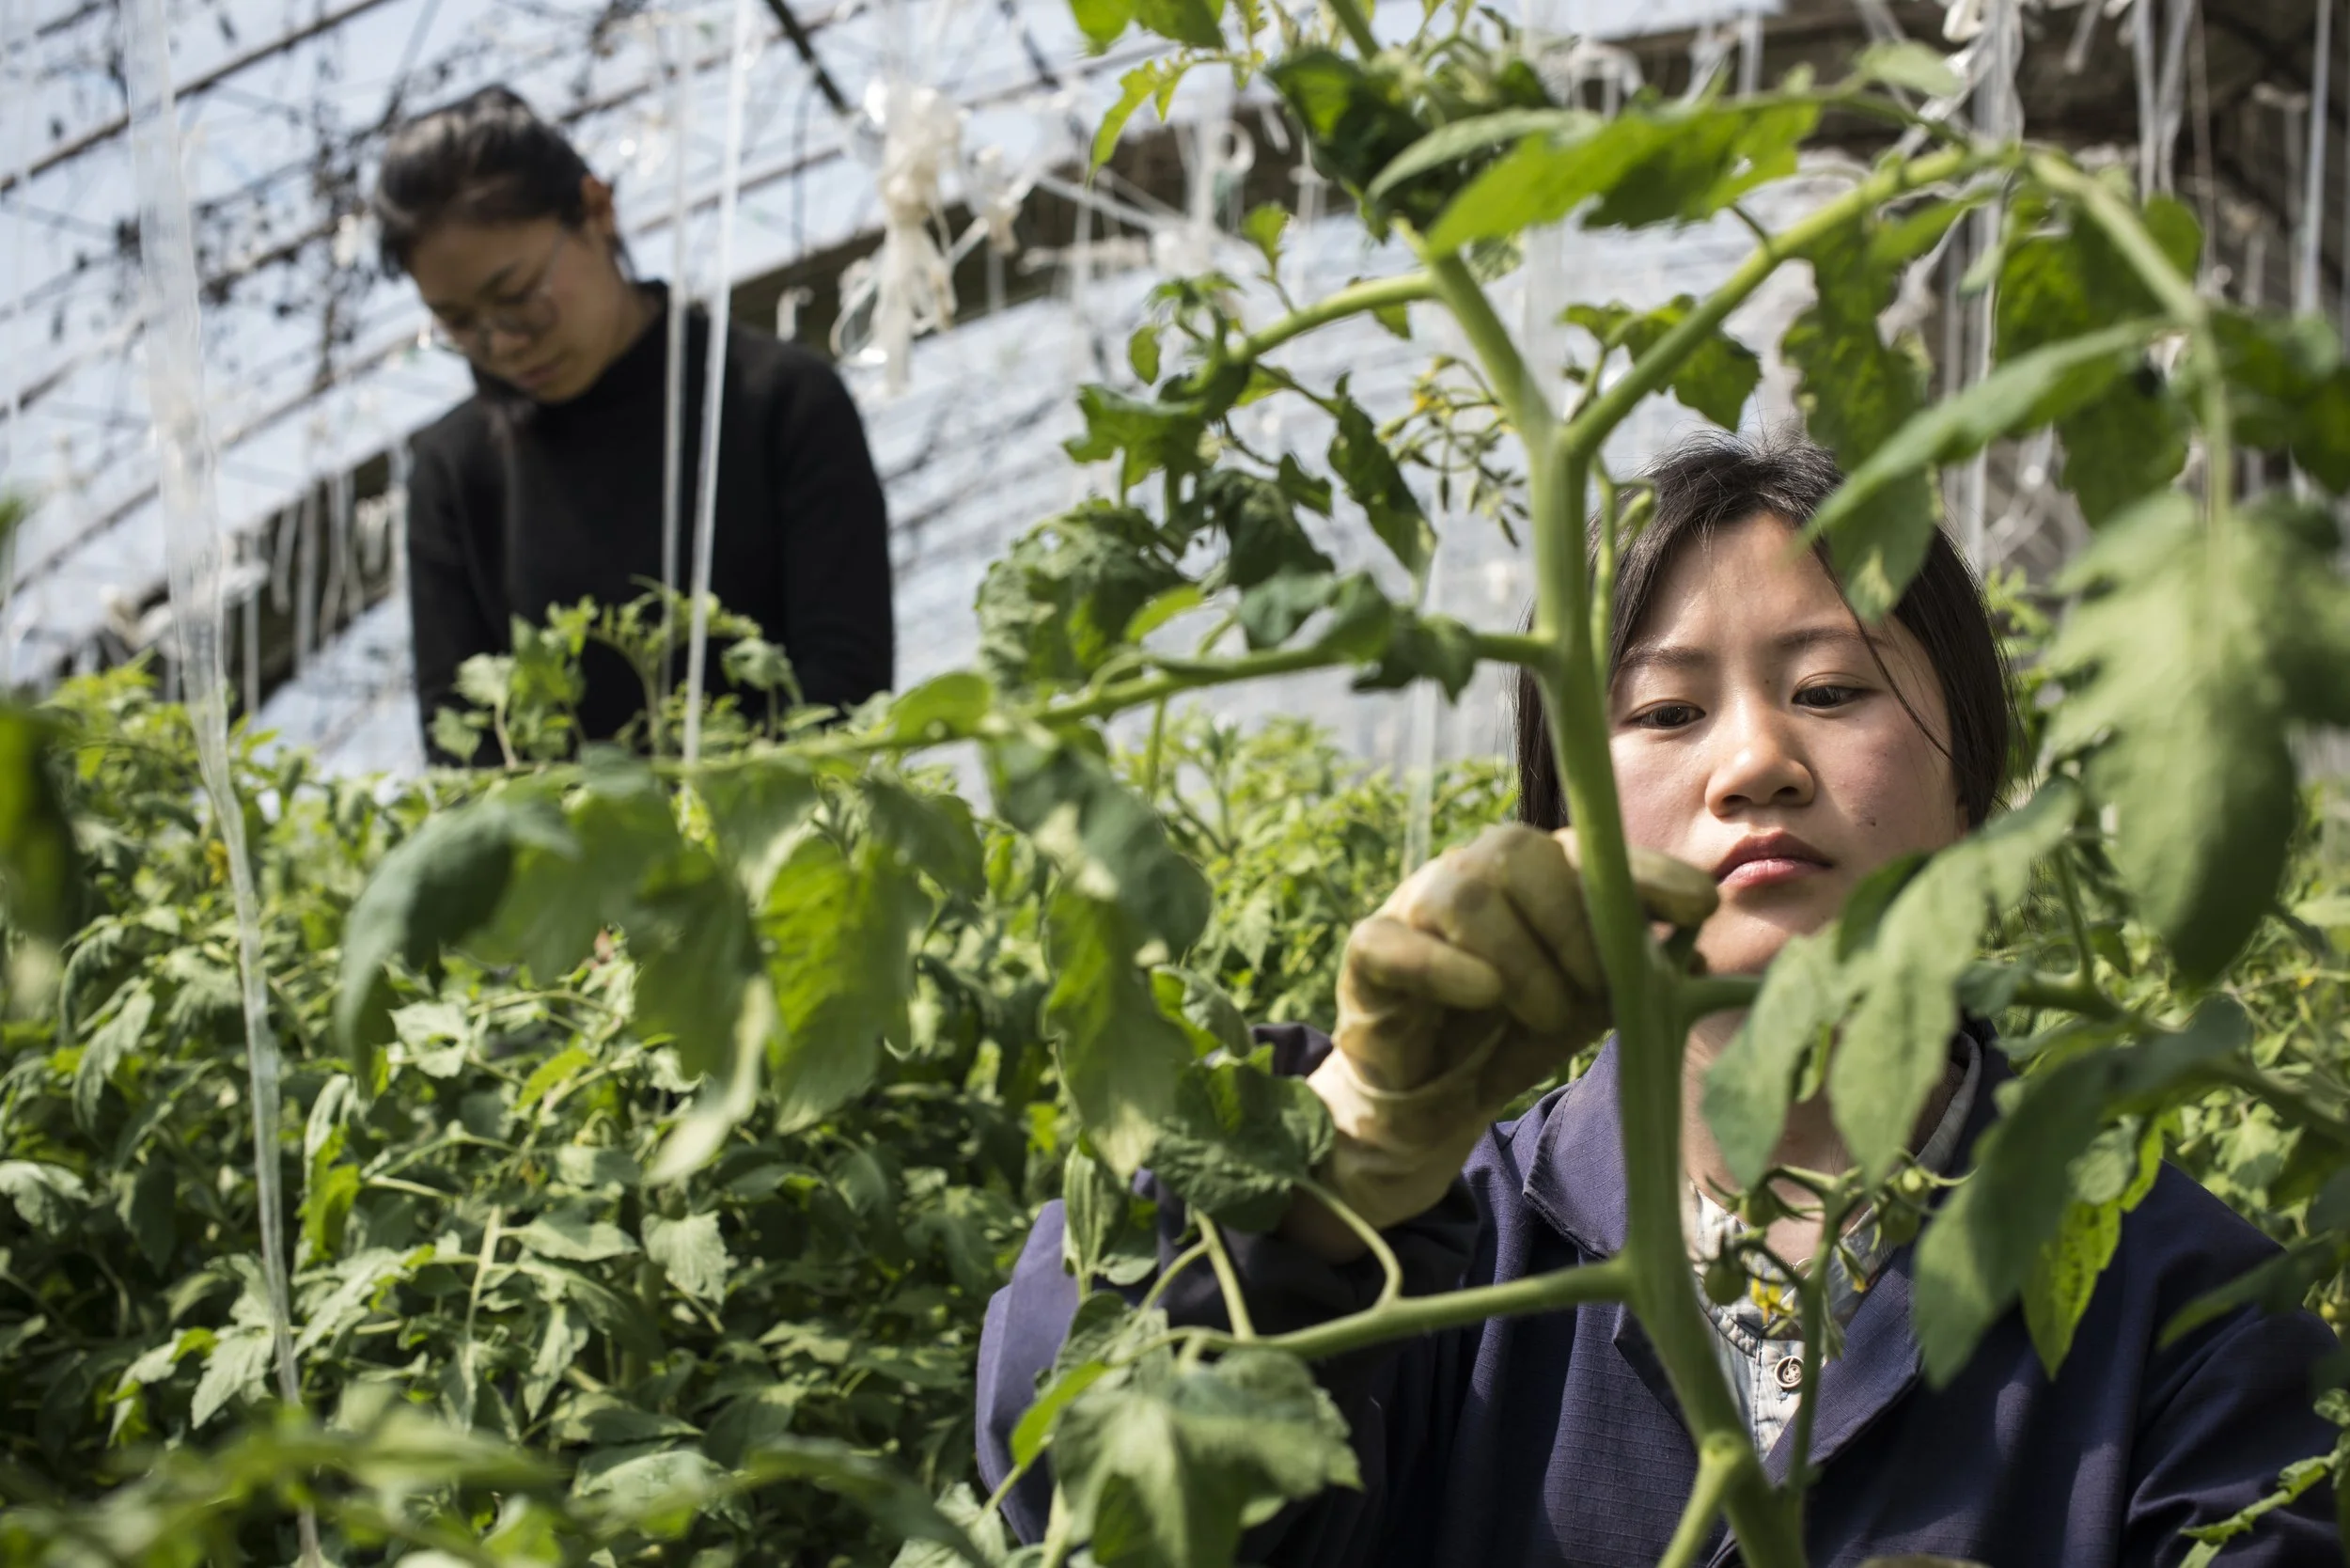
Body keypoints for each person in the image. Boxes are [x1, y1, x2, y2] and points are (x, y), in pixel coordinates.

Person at [974, 433, 2342, 1566]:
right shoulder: (1447, 1260)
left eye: (1831, 688)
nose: (1754, 761)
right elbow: (1088, 1504)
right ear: (1559, 816)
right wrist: (1327, 1169)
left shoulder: (2179, 1304)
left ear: (1973, 786)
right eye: (1666, 714)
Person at [371, 86, 893, 760]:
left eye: (517, 297)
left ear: (596, 210)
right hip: (564, 865)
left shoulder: (778, 402)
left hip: (788, 849)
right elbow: (463, 750)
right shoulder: (457, 472)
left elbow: (843, 695)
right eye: (460, 323)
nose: (502, 344)